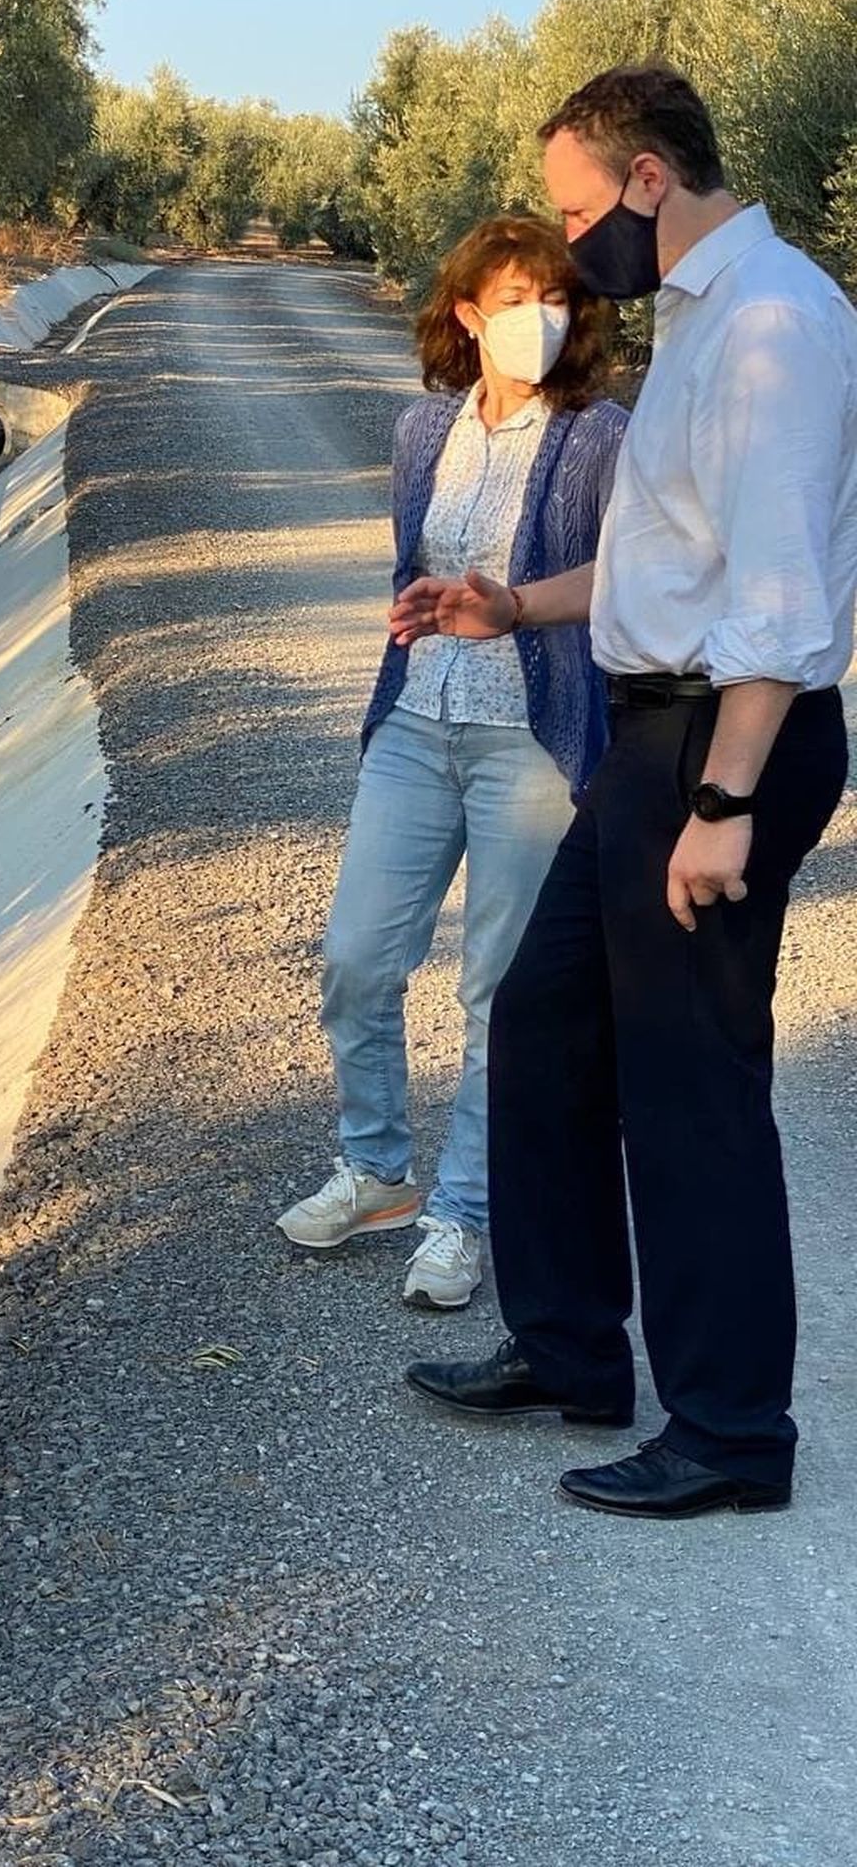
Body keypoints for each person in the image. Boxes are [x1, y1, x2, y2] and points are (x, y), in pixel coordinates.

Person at [401, 64, 857, 1518]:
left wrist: (722, 808)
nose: (570, 238)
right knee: (545, 1020)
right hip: (657, 739)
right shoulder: (707, 321)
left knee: (691, 1088)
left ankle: (729, 1432)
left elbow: (779, 598)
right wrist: (511, 605)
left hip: (723, 745)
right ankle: (572, 1347)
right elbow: (670, 564)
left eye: (582, 205)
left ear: (651, 178)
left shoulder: (775, 325)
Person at [277, 216, 626, 1308]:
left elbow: (631, 582)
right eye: (513, 298)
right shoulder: (421, 430)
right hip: (417, 724)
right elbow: (416, 566)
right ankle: (377, 1170)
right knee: (357, 960)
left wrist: (513, 614)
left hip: (530, 740)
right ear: (467, 314)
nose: (539, 318)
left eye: (554, 297)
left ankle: (466, 1213)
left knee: (494, 988)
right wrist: (424, 608)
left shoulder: (601, 436)